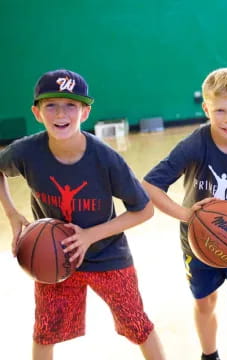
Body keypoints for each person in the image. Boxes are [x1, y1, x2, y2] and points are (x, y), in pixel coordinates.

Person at [0, 69, 166, 360]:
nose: (60, 113)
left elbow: (144, 210)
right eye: (51, 104)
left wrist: (90, 235)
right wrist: (12, 214)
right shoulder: (27, 152)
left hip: (107, 255)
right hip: (53, 257)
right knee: (44, 331)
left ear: (85, 111)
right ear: (37, 112)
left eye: (70, 105)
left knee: (138, 324)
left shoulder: (106, 159)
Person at [142, 67, 227, 360]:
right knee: (205, 303)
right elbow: (149, 185)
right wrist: (185, 215)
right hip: (198, 241)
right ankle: (210, 355)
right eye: (220, 110)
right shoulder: (196, 143)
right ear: (206, 108)